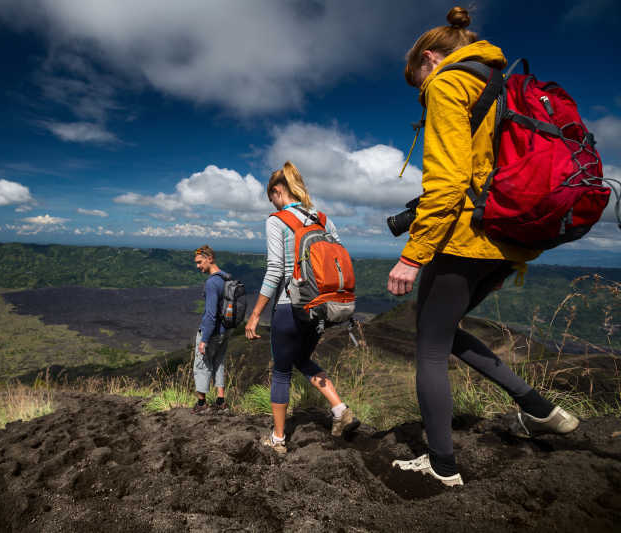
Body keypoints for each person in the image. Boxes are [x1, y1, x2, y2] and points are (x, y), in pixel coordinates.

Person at [387, 6, 579, 486]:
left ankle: (442, 465)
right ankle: (539, 409)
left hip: (467, 237)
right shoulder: (501, 83)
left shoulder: (450, 84)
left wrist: (413, 254)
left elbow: (449, 181)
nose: (421, 94)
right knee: (444, 330)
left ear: (430, 59)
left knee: (429, 346)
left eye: (418, 83)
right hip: (510, 239)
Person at [245, 161, 358, 454]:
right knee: (302, 358)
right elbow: (340, 259)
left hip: (290, 306)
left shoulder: (277, 220)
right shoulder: (323, 219)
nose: (272, 202)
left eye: (271, 197)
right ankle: (340, 410)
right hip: (321, 307)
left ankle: (278, 439)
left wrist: (255, 313)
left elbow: (274, 272)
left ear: (278, 190)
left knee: (281, 371)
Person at [191, 245, 231, 413]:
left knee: (202, 364)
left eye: (200, 262)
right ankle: (221, 401)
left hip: (212, 332)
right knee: (218, 363)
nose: (198, 266)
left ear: (209, 259)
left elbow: (210, 315)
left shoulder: (212, 283)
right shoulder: (226, 278)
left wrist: (204, 339)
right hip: (225, 331)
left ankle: (201, 404)